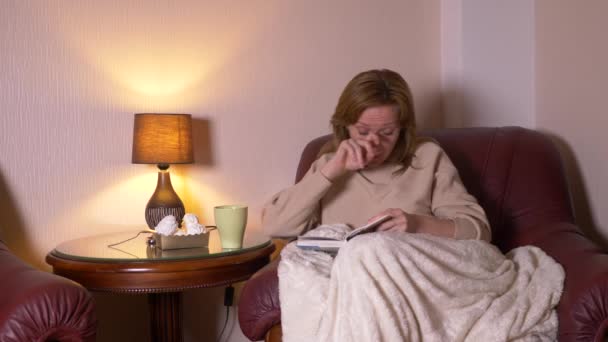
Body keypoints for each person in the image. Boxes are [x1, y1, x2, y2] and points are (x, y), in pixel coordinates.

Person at [262, 69, 490, 242]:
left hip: (407, 275)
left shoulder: (428, 157)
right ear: (345, 126)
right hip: (347, 283)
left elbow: (479, 231)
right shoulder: (327, 166)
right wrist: (331, 171)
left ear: (402, 129)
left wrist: (417, 224)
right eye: (363, 131)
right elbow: (275, 226)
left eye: (387, 132)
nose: (374, 143)